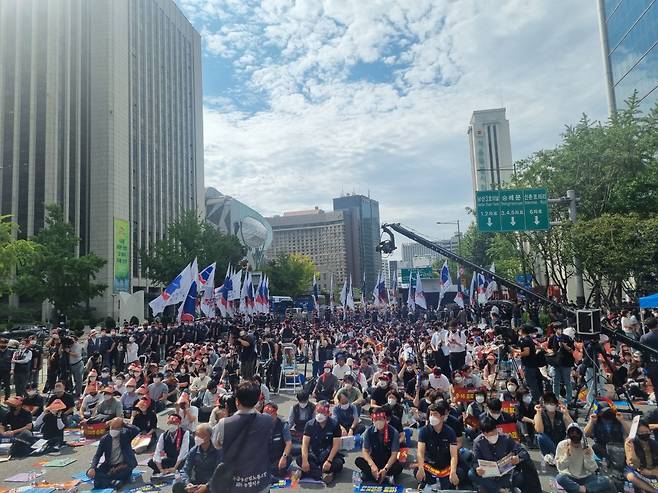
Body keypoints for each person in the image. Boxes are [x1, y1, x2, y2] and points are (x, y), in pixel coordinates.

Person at [210, 379, 274, 493]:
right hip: (261, 481)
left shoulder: (224, 423)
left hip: (235, 484)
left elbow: (217, 445)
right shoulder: (267, 419)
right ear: (256, 402)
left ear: (237, 401)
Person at [469, 416, 533, 493]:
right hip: (489, 476)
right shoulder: (477, 443)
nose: (494, 436)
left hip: (506, 474)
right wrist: (477, 468)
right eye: (490, 435)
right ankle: (500, 489)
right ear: (484, 433)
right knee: (471, 473)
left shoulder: (506, 438)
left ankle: (494, 488)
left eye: (495, 432)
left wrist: (518, 458)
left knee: (519, 478)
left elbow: (523, 451)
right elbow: (475, 461)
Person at [555, 423, 614, 493]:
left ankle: (582, 489)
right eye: (572, 433)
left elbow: (593, 469)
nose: (575, 435)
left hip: (585, 477)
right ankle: (583, 489)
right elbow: (560, 467)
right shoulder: (562, 445)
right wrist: (567, 456)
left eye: (577, 433)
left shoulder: (586, 446)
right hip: (569, 476)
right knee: (560, 478)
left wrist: (587, 455)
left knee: (607, 481)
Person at [415, 401, 459, 490]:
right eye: (431, 414)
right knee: (417, 471)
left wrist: (453, 472)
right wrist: (420, 468)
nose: (432, 417)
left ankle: (436, 483)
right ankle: (434, 483)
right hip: (430, 465)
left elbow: (454, 455)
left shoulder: (450, 432)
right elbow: (420, 452)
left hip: (445, 465)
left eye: (435, 414)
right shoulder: (424, 431)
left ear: (442, 417)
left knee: (459, 473)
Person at [297, 400, 344, 484]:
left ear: (327, 413)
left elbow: (336, 445)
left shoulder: (334, 424)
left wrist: (329, 460)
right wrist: (305, 460)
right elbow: (305, 444)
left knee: (339, 464)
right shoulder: (309, 425)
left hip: (328, 454)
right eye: (318, 412)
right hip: (314, 454)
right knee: (299, 459)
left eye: (322, 412)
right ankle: (323, 475)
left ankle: (306, 472)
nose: (320, 415)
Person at [355, 406, 403, 485]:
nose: (378, 422)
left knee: (399, 467)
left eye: (380, 419)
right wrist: (372, 465)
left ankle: (373, 476)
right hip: (375, 460)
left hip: (388, 462)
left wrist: (385, 469)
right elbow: (365, 451)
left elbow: (394, 454)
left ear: (385, 419)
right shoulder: (369, 431)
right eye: (375, 420)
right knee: (359, 461)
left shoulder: (394, 432)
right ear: (372, 420)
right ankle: (384, 478)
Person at [87, 418, 140, 489]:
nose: (113, 430)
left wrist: (125, 424)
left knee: (99, 482)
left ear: (121, 428)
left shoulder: (126, 435)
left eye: (116, 428)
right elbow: (97, 455)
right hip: (109, 465)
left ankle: (106, 480)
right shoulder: (105, 439)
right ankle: (113, 481)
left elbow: (137, 430)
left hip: (124, 465)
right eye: (112, 427)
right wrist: (92, 467)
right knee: (89, 472)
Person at [173, 423, 222, 493]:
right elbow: (185, 469)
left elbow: (220, 473)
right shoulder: (194, 450)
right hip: (197, 483)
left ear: (208, 436)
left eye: (199, 435)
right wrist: (188, 483)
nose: (196, 437)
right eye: (195, 434)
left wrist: (207, 486)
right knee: (177, 486)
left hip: (212, 484)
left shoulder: (218, 451)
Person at [534, 392, 573, 465]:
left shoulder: (561, 415)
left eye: (552, 403)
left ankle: (558, 456)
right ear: (544, 404)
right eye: (548, 403)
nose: (550, 405)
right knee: (540, 436)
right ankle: (558, 456)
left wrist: (566, 413)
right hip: (547, 447)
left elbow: (573, 427)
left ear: (556, 404)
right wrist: (538, 412)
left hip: (560, 444)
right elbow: (540, 430)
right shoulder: (539, 415)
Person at [625, 419, 658, 493]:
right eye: (641, 432)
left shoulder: (655, 444)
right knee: (631, 476)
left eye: (646, 432)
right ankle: (654, 491)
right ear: (637, 433)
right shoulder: (631, 444)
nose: (645, 434)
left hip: (652, 470)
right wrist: (632, 450)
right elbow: (633, 465)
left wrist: (651, 472)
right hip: (638, 471)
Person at [263, 402, 293, 479]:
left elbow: (288, 443)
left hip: (279, 457)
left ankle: (269, 476)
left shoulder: (283, 425)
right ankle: (269, 476)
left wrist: (284, 457)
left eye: (269, 414)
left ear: (275, 413)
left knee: (283, 465)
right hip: (266, 456)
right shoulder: (261, 424)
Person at [518, 324, 542, 401]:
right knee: (537, 384)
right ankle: (540, 400)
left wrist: (518, 354)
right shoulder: (529, 339)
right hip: (533, 365)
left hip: (528, 366)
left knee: (532, 385)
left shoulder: (524, 340)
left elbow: (526, 352)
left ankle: (536, 402)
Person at [639, 317, 658, 395]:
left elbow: (642, 353)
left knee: (656, 388)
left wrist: (642, 365)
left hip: (652, 365)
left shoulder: (644, 338)